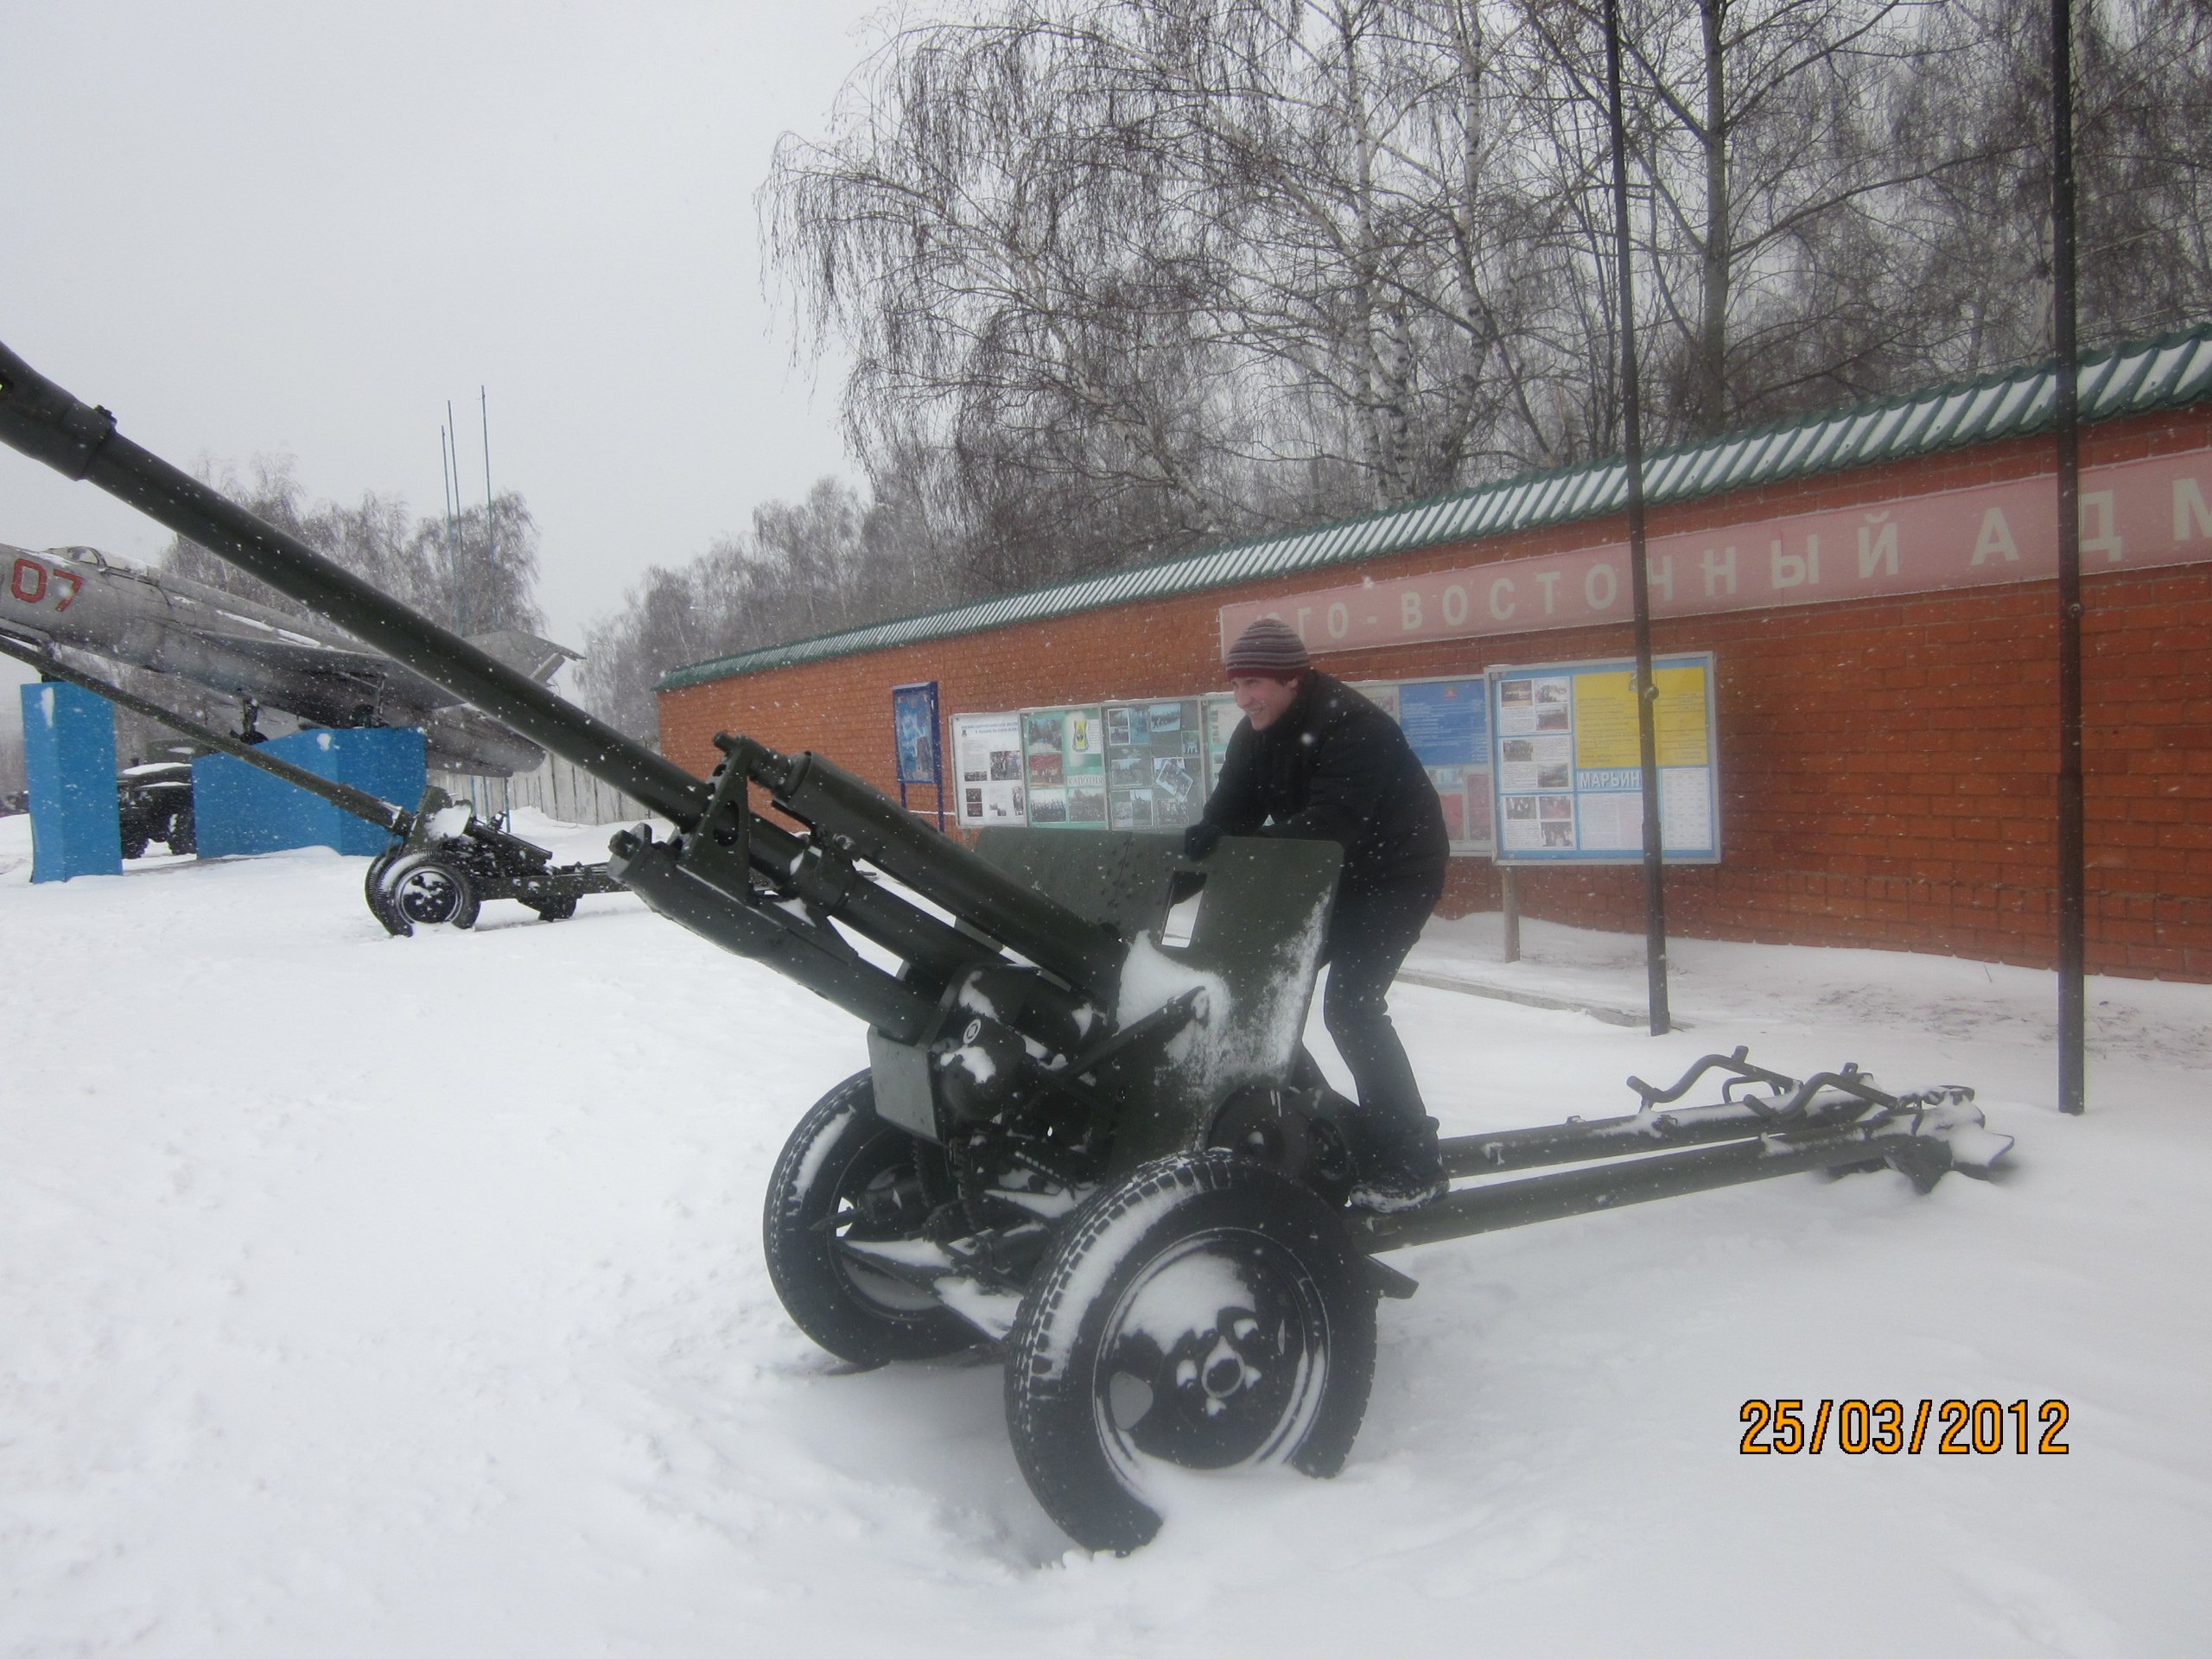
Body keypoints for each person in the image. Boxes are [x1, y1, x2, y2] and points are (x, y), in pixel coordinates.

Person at [1185, 617, 1451, 1211]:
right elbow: (1229, 816)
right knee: (1248, 988)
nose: (1242, 698)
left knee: (1351, 1007)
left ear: (1293, 679)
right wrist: (1198, 855)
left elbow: (1333, 825)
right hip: (1327, 875)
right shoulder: (1255, 735)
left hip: (1394, 875)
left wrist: (1246, 847)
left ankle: (1415, 1162)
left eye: (1253, 683)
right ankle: (1319, 1131)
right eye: (1236, 684)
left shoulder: (1356, 728)